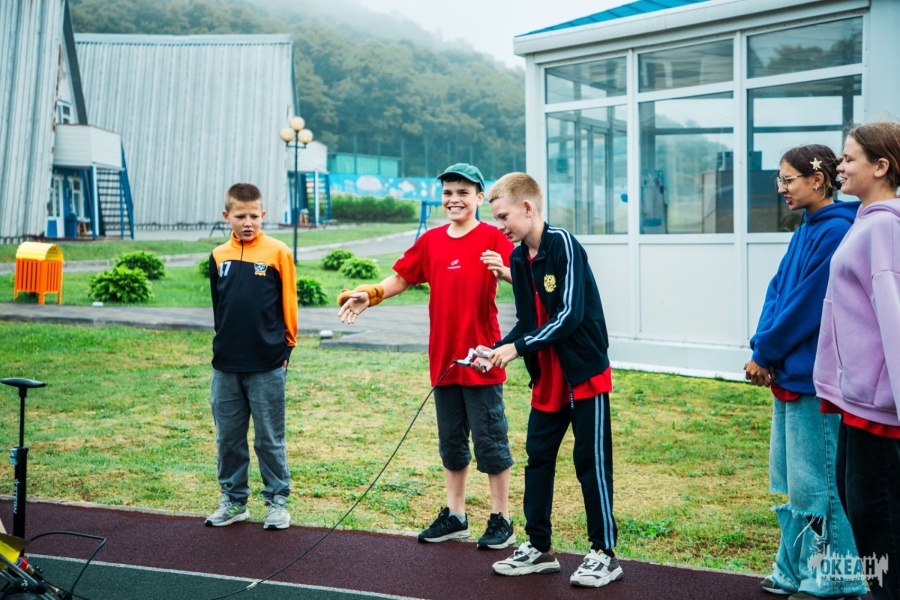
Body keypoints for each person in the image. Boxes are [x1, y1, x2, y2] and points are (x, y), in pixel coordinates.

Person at [337, 163, 518, 550]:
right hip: (443, 360)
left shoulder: (493, 237)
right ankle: (455, 516)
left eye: (463, 193)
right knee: (451, 444)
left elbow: (527, 277)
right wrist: (370, 295)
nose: (454, 199)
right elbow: (402, 277)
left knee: (490, 442)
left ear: (479, 197)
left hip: (483, 359)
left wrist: (504, 271)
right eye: (448, 192)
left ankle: (502, 519)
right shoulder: (432, 240)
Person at [480, 172, 622, 589]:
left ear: (528, 208)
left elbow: (569, 316)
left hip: (584, 375)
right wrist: (496, 349)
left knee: (590, 464)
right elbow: (528, 323)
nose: (500, 226)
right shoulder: (517, 259)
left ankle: (604, 553)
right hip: (547, 379)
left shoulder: (564, 244)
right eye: (496, 218)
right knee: (538, 459)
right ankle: (539, 548)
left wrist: (517, 348)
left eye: (503, 216)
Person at [745, 145, 865, 600]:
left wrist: (767, 353)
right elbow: (778, 291)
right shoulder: (806, 227)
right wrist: (762, 349)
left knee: (821, 485)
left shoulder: (836, 230)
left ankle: (835, 577)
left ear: (818, 179)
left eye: (788, 179)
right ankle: (795, 570)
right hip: (790, 373)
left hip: (816, 379)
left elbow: (807, 306)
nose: (781, 188)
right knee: (796, 483)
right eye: (780, 179)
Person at [814, 121, 900, 600]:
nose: (839, 166)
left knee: (880, 527)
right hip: (858, 402)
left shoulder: (885, 226)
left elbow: (894, 320)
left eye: (849, 158)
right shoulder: (865, 220)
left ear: (881, 166)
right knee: (867, 522)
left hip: (880, 412)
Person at [204, 183, 298, 530]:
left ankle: (277, 502)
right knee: (228, 438)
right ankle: (234, 501)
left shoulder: (278, 252)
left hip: (267, 363)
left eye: (254, 216)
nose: (248, 223)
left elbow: (289, 302)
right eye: (240, 216)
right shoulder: (218, 256)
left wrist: (287, 348)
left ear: (263, 215)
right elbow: (219, 307)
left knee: (269, 438)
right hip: (226, 365)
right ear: (226, 216)